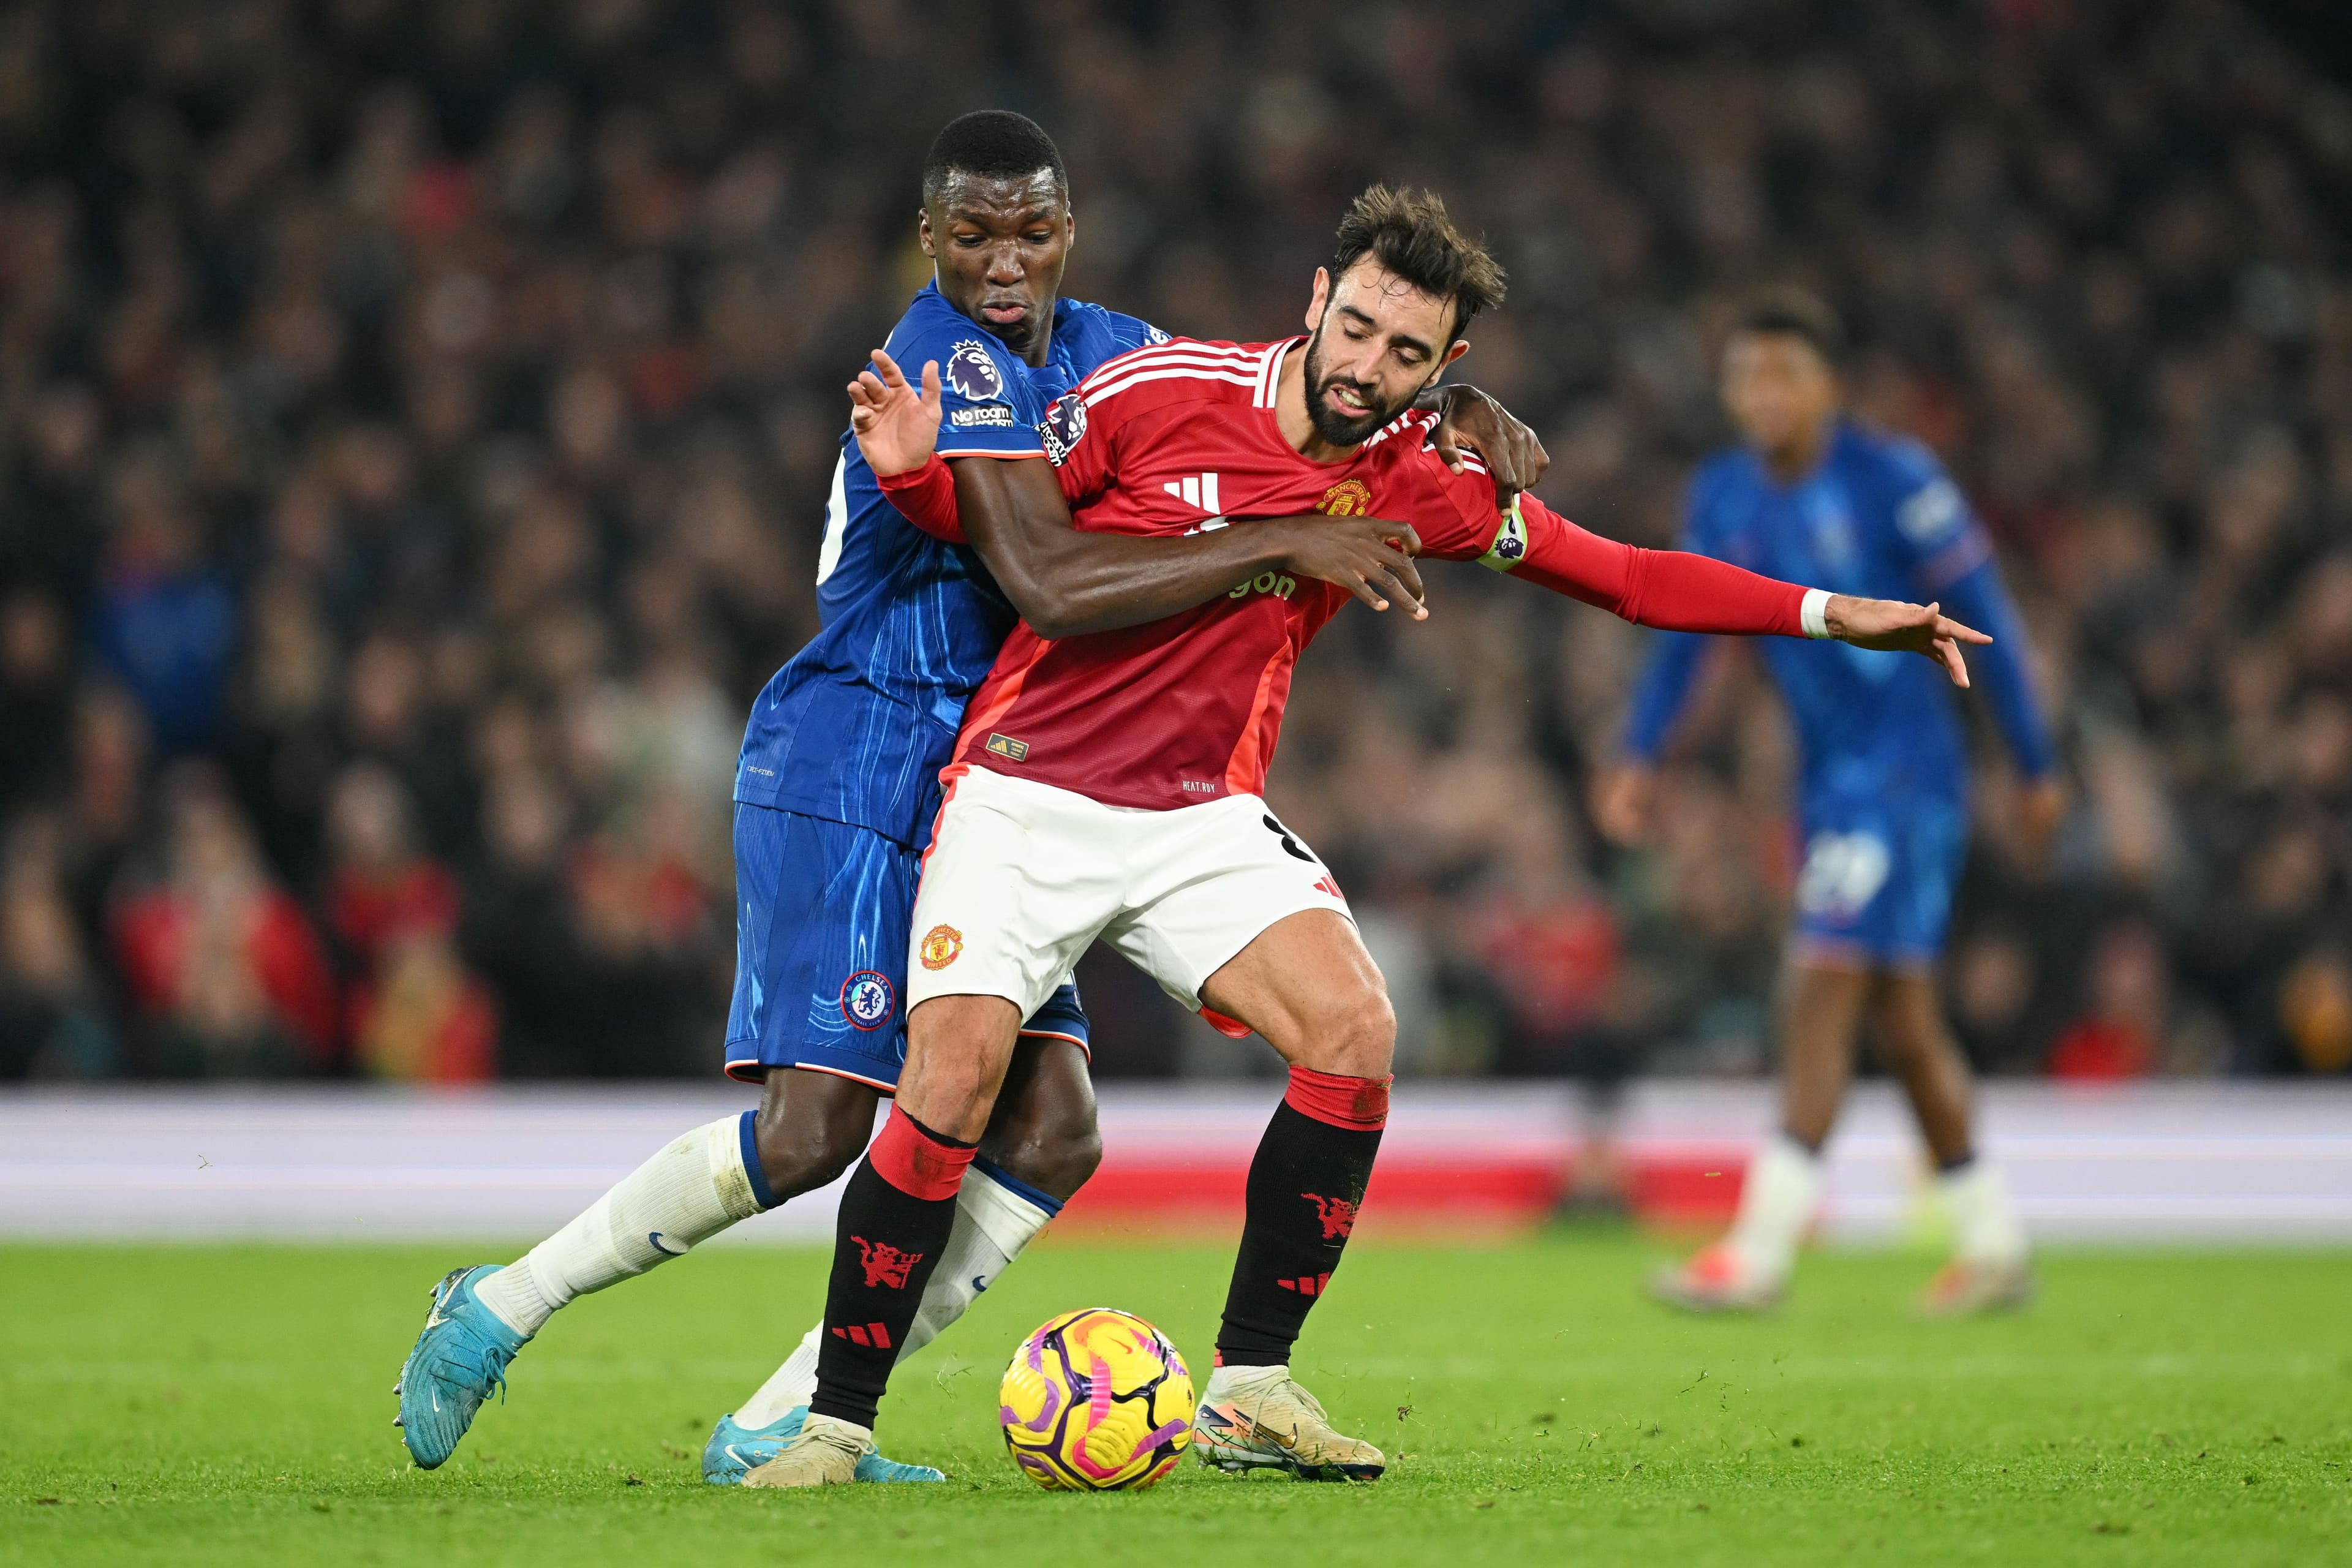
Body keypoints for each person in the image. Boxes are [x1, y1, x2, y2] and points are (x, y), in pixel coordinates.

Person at [744, 186, 1992, 1486]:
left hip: (1196, 815)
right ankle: (836, 1423)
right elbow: (1025, 541)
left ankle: (1250, 1384)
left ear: (1446, 367)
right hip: (1025, 787)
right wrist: (920, 481)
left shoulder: (1416, 477)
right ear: (1316, 302)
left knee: (1355, 1032)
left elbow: (1626, 576)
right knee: (946, 1088)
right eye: (1357, 329)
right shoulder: (1157, 388)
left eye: (1407, 354)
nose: (1368, 368)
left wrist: (1840, 613)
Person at [391, 112, 1544, 1482]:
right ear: (929, 237)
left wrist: (1436, 408)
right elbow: (1051, 576)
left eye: (1033, 231)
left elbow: (1265, 395)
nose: (1005, 261)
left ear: (1070, 232)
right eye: (975, 233)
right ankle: (503, 1301)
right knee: (820, 1124)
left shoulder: (1114, 347)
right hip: (861, 744)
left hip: (1010, 765)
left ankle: (793, 1412)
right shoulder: (936, 351)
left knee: (1054, 1130)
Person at [1593, 287, 2062, 1316]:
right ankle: (1994, 1246)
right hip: (1826, 778)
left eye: (1784, 374)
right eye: (1746, 375)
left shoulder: (1896, 481)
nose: (1764, 394)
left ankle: (1760, 1250)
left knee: (1820, 984)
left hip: (1905, 776)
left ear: (1828, 387)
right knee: (1900, 1021)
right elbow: (1683, 626)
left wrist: (2035, 764)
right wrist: (1642, 752)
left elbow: (1991, 621)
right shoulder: (1723, 493)